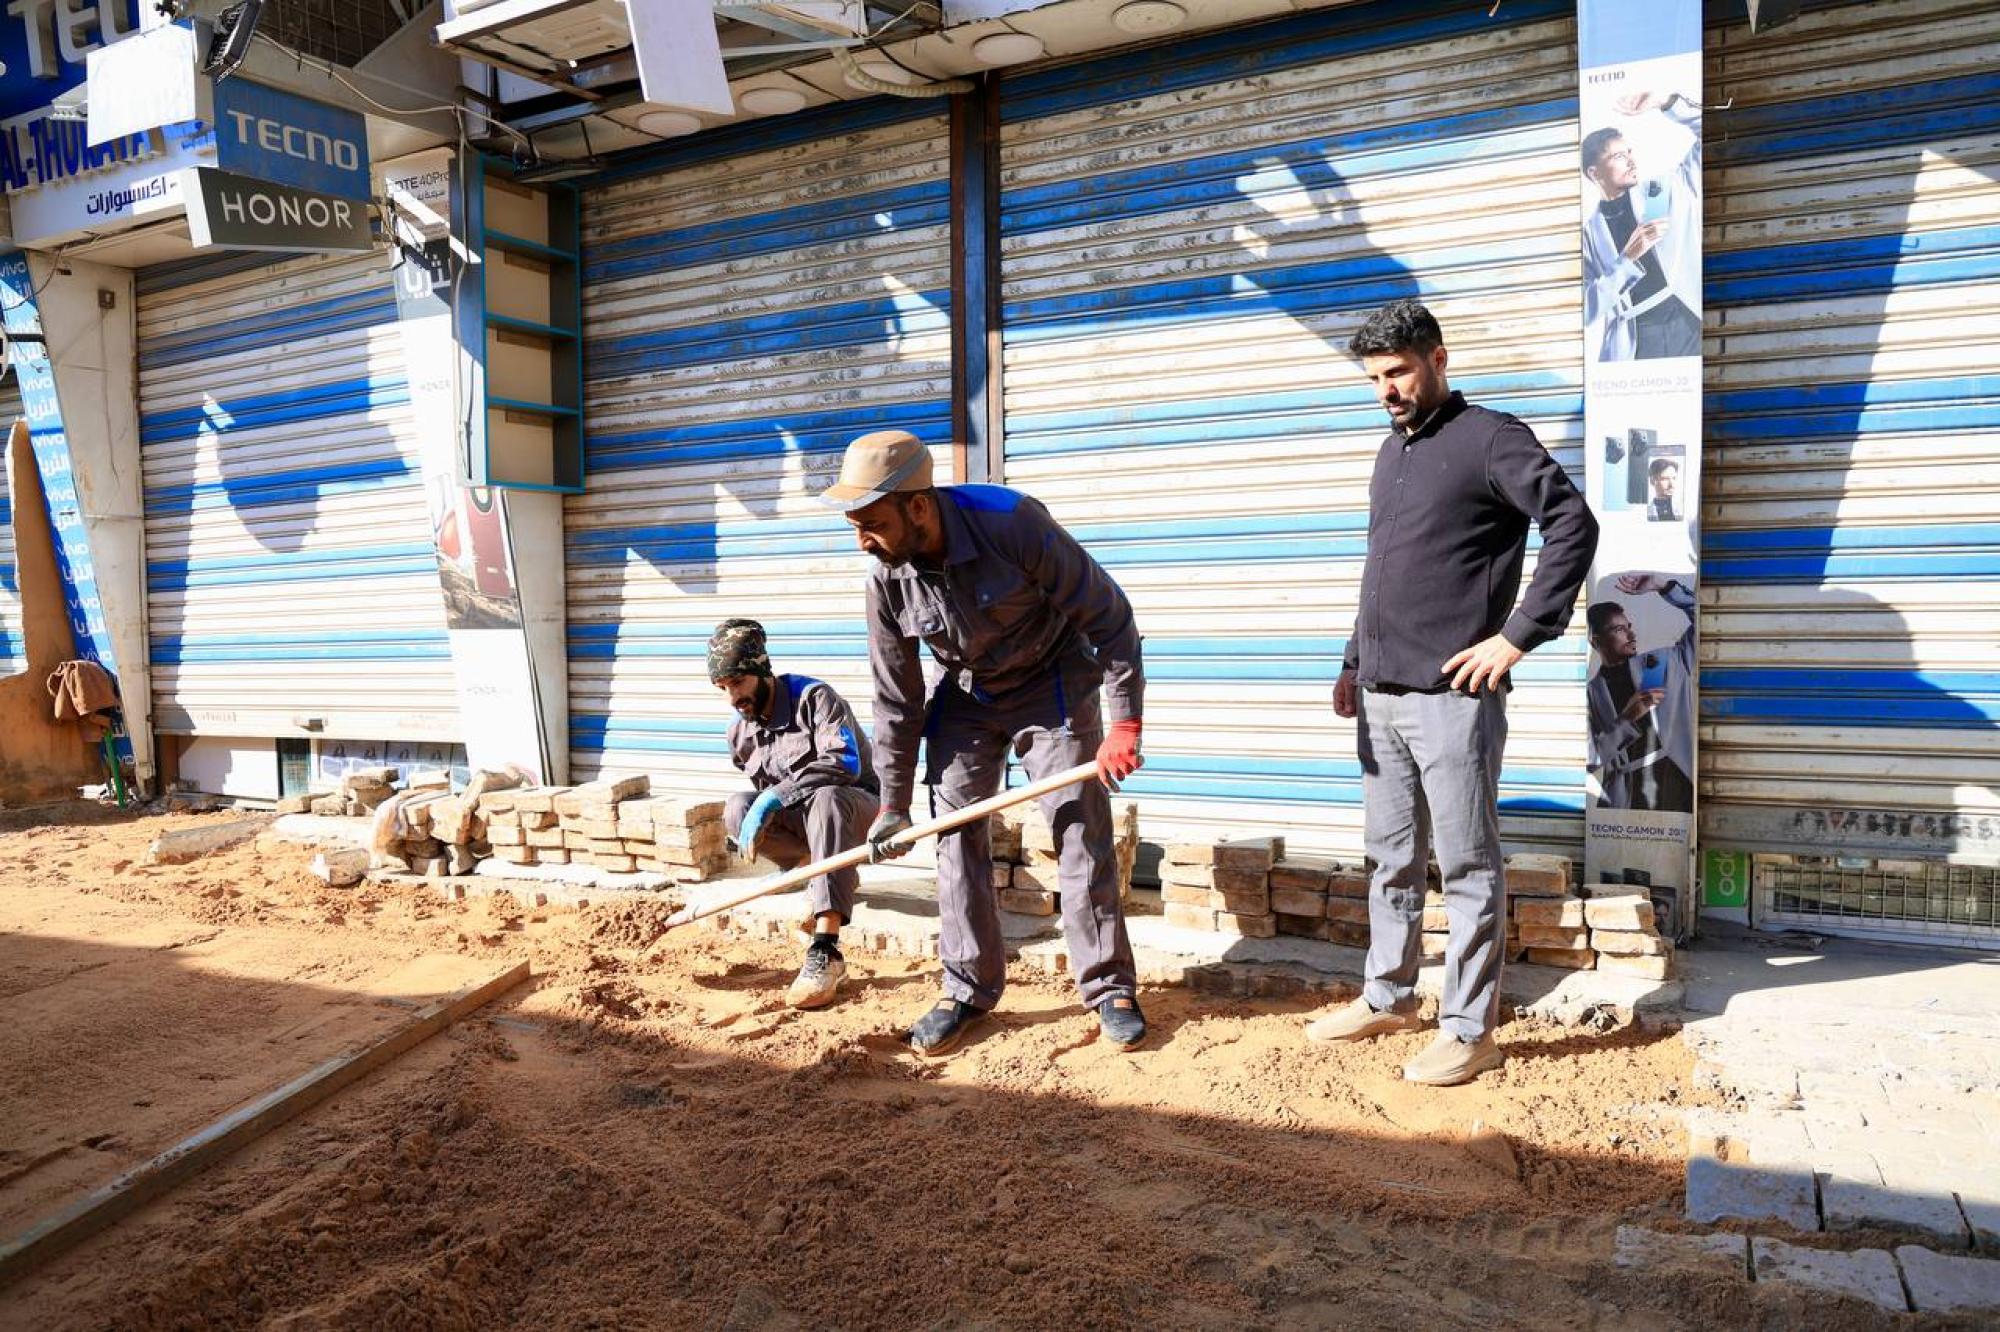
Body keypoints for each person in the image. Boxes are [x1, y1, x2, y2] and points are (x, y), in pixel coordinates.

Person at [1307, 298, 1599, 1085]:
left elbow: (1573, 524)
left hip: (1451, 697)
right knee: (1390, 859)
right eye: (1375, 377)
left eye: (1399, 372)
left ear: (1438, 359)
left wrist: (1518, 635)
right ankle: (1388, 996)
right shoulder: (1390, 452)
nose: (1387, 390)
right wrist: (1352, 661)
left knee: (1467, 865)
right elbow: (1383, 570)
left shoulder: (1492, 439)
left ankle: (1470, 1030)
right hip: (1381, 693)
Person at [822, 429, 1147, 1057]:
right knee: (953, 829)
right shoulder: (885, 578)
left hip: (1051, 680)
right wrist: (892, 803)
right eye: (854, 527)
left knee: (1077, 826)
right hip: (967, 693)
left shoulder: (1011, 522)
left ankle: (1109, 988)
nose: (863, 541)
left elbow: (1110, 617)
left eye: (874, 524)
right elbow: (896, 697)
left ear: (919, 506)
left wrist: (1125, 723)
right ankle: (966, 989)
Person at [711, 618, 880, 1010]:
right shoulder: (739, 733)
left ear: (762, 670)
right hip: (809, 823)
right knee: (738, 809)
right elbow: (761, 796)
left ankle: (826, 950)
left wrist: (775, 796)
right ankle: (817, 869)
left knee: (826, 799)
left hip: (857, 811)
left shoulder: (815, 698)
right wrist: (764, 803)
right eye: (723, 688)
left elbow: (845, 763)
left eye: (738, 682)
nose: (732, 697)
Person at [1581, 91, 1703, 362]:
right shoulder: (1589, 234)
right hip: (1635, 344)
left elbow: (1711, 135)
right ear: (1594, 173)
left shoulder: (1657, 193)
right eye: (1618, 156)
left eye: (1629, 152)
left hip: (1689, 324)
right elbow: (1585, 310)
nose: (1631, 161)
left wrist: (1665, 103)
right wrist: (1627, 259)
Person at [1586, 574, 1695, 813]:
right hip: (1624, 800)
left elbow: (1705, 623)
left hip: (1677, 787)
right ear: (1595, 641)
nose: (1631, 636)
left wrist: (1662, 586)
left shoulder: (1658, 664)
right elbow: (1589, 758)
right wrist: (1626, 719)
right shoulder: (1591, 693)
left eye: (1629, 627)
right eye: (1619, 629)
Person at [1647, 458, 1680, 523]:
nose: (1671, 485)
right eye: (1665, 479)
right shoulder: (1646, 512)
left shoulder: (1681, 509)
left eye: (1674, 478)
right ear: (1652, 481)